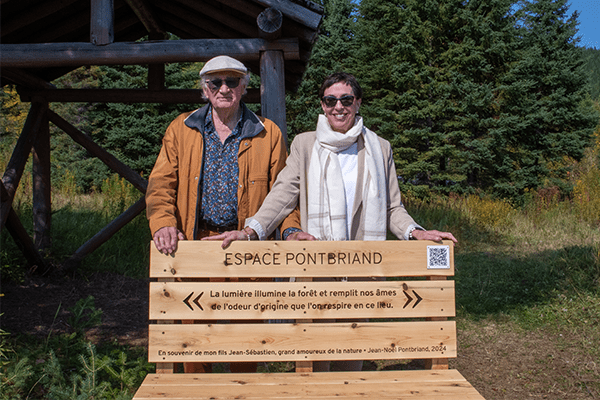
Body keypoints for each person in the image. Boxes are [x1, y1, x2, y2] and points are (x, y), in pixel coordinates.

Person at [205, 72, 457, 371]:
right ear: (322, 106)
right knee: (315, 360)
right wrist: (249, 231)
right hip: (318, 269)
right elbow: (282, 194)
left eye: (346, 99)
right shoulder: (305, 144)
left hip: (363, 267)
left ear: (358, 103)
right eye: (330, 100)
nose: (338, 107)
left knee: (353, 356)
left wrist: (415, 231)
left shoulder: (380, 148)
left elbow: (392, 207)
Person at [145, 55, 300, 373]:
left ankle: (241, 393)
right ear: (204, 90)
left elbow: (284, 196)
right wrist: (163, 224)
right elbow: (161, 185)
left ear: (244, 87)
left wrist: (290, 231)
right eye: (216, 82)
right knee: (193, 329)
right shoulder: (181, 129)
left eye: (232, 81)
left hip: (248, 246)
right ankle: (196, 391)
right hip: (196, 242)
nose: (224, 88)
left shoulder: (267, 134)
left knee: (246, 333)